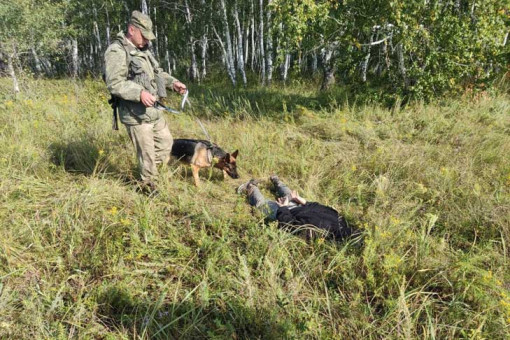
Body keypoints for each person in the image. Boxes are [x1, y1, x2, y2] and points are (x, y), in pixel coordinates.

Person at [104, 10, 187, 193]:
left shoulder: (144, 50)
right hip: (136, 114)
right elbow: (115, 83)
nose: (147, 41)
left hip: (154, 111)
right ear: (131, 29)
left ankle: (150, 174)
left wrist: (173, 83)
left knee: (166, 144)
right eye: (144, 36)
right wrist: (139, 93)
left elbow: (158, 73)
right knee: (147, 155)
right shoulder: (117, 51)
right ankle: (148, 187)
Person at [237, 175, 357, 241]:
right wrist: (283, 208)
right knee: (261, 205)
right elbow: (289, 226)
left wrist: (302, 201)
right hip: (291, 210)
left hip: (299, 206)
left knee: (290, 196)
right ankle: (250, 186)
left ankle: (277, 181)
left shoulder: (339, 218)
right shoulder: (320, 233)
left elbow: (321, 207)